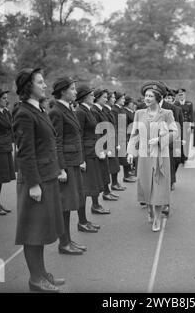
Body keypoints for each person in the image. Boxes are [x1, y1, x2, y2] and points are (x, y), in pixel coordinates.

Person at [13, 68, 65, 292]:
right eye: (41, 82)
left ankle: (42, 273)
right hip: (36, 182)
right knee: (33, 232)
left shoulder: (38, 109)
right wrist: (34, 184)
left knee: (41, 230)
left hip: (47, 177)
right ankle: (36, 280)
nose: (45, 85)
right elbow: (25, 152)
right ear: (29, 87)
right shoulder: (23, 113)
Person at [127, 81, 178, 232]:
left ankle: (157, 218)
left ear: (157, 97)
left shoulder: (167, 114)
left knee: (159, 187)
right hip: (143, 156)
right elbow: (134, 135)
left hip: (160, 156)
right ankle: (149, 208)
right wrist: (130, 152)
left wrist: (160, 140)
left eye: (150, 96)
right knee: (146, 185)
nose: (147, 98)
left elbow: (175, 132)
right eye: (146, 96)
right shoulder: (139, 113)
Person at [48, 77, 87, 255]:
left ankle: (68, 240)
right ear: (63, 91)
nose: (75, 92)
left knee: (71, 202)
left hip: (74, 161)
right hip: (66, 164)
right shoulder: (57, 111)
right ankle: (63, 243)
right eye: (72, 89)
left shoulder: (68, 108)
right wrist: (60, 168)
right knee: (65, 204)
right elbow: (56, 142)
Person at [74, 84, 102, 232]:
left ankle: (84, 220)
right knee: (84, 190)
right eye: (91, 95)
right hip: (86, 154)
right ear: (85, 96)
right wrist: (81, 159)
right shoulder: (80, 111)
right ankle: (81, 222)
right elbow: (79, 136)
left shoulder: (88, 110)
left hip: (92, 152)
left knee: (88, 188)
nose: (93, 97)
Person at [90, 88, 115, 210]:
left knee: (105, 171)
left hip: (104, 143)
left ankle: (107, 192)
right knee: (99, 174)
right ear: (97, 97)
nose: (107, 99)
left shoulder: (101, 110)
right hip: (100, 145)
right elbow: (97, 130)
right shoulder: (94, 110)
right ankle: (99, 199)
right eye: (104, 97)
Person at [104, 91, 126, 191]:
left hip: (114, 139)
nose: (114, 99)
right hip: (108, 141)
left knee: (115, 164)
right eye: (112, 98)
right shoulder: (109, 110)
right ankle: (111, 185)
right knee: (112, 165)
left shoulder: (110, 110)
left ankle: (115, 183)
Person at [112, 91, 136, 183]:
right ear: (117, 99)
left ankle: (127, 175)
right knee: (119, 160)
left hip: (124, 135)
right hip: (120, 136)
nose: (124, 100)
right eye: (122, 98)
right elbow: (115, 125)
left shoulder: (121, 109)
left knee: (126, 157)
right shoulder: (114, 110)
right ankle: (121, 179)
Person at [174, 88, 194, 162]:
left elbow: (191, 115)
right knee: (179, 141)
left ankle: (185, 156)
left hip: (186, 125)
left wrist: (191, 126)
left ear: (185, 95)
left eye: (182, 94)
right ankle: (180, 157)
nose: (181, 96)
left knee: (186, 141)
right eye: (179, 95)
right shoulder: (176, 104)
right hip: (179, 126)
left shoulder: (189, 104)